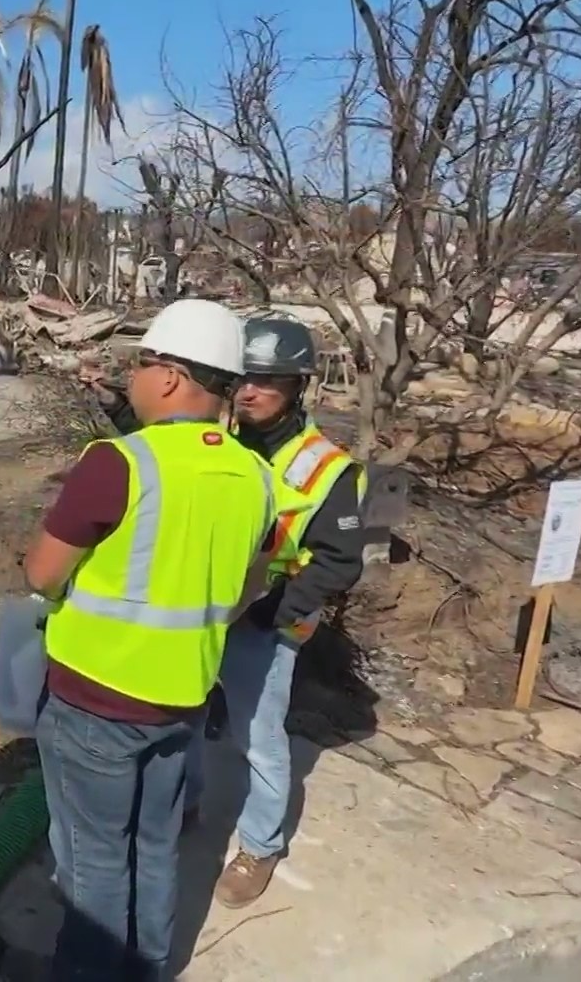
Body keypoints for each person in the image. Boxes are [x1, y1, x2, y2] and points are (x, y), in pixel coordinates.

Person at [22, 298, 277, 982]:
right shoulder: (256, 477)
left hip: (96, 699)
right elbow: (251, 585)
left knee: (92, 860)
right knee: (156, 847)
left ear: (169, 378)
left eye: (140, 363)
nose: (130, 377)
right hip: (182, 697)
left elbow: (43, 573)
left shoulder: (119, 463)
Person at [184, 317, 367, 909]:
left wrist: (271, 613)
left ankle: (259, 845)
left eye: (267, 382)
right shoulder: (220, 442)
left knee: (258, 739)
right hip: (198, 611)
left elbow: (339, 563)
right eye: (243, 379)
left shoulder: (327, 468)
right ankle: (183, 805)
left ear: (297, 387)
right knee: (182, 716)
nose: (249, 392)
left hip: (264, 625)